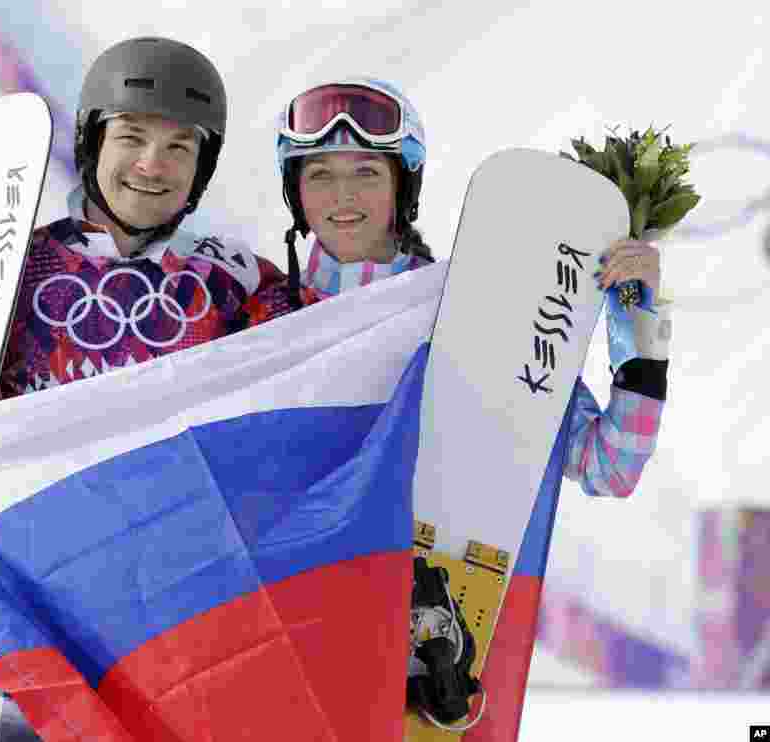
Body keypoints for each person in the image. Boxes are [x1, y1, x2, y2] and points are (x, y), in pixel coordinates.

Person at [0, 36, 284, 742]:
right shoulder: (21, 264)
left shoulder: (230, 283)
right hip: (35, 592)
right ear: (93, 139)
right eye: (131, 137)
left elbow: (334, 348)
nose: (152, 166)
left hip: (166, 601)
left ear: (203, 168)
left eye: (179, 149)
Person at [243, 77, 671, 726]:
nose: (343, 197)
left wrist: (634, 328)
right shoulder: (255, 317)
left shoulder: (476, 314)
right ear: (296, 193)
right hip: (276, 640)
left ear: (402, 187)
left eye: (365, 173)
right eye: (320, 176)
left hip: (421, 654)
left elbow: (611, 466)